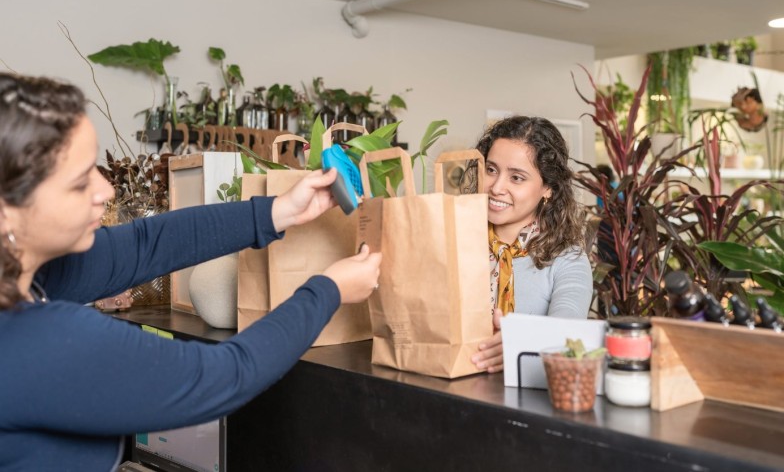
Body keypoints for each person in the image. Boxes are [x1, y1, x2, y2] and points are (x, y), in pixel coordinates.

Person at [0, 73, 382, 471]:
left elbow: (148, 244)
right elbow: (223, 376)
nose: (106, 190)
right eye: (80, 182)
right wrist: (328, 290)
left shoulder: (36, 279)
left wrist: (279, 210)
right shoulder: (31, 342)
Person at [470, 116, 592, 373]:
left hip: (530, 393)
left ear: (548, 187)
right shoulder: (456, 241)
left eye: (516, 177)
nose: (497, 187)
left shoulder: (567, 259)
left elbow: (568, 330)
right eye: (491, 170)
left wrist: (519, 340)